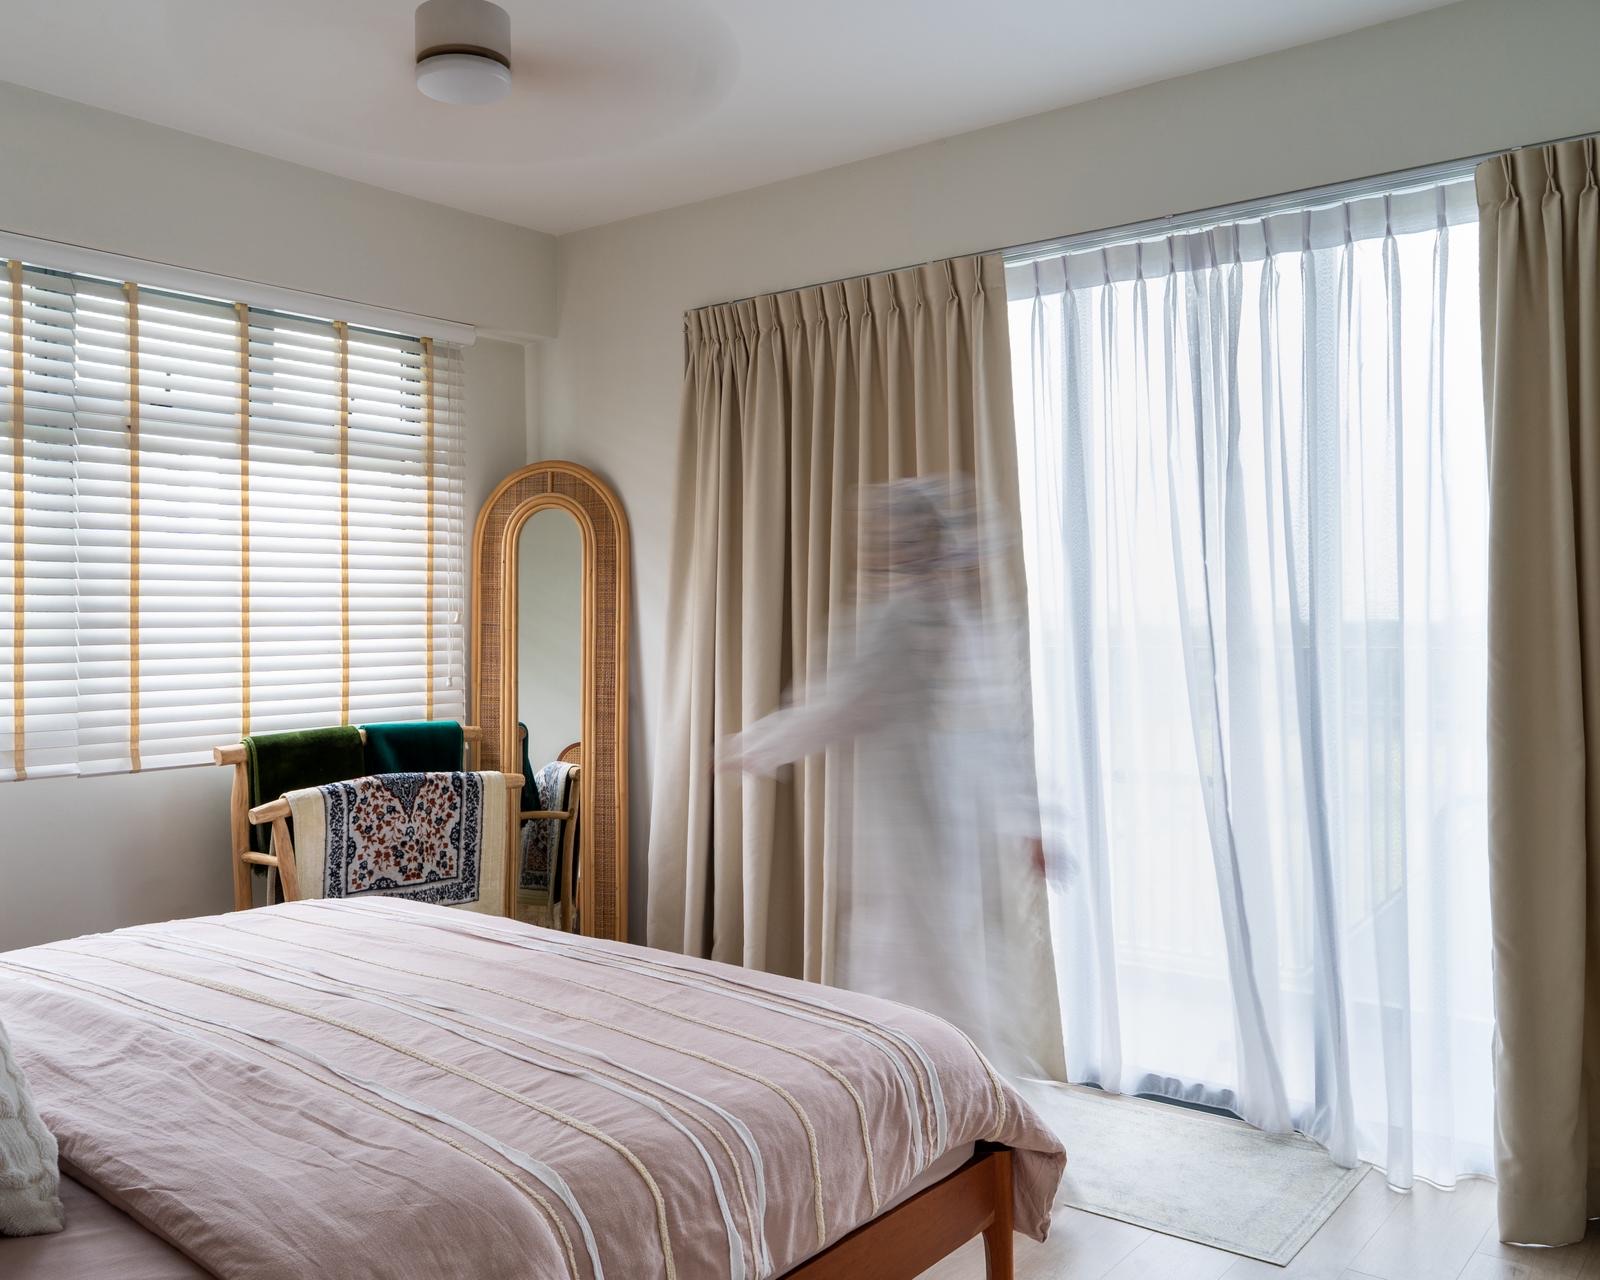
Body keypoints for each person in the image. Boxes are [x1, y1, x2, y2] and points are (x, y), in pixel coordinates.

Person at [719, 477, 1057, 1075]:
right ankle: (963, 1094)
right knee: (939, 963)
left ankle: (959, 1101)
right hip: (947, 824)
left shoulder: (899, 619)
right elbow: (1003, 737)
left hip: (910, 821)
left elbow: (839, 706)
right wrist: (1027, 823)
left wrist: (752, 746)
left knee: (920, 968)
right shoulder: (959, 621)